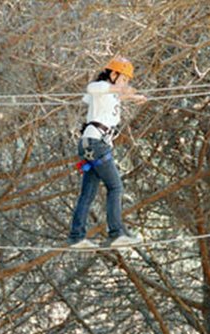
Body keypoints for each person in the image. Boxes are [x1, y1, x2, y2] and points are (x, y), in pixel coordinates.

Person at [67, 57, 147, 249]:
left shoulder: (110, 95)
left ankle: (76, 236)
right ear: (113, 74)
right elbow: (91, 90)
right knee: (115, 187)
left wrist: (134, 96)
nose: (124, 83)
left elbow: (114, 97)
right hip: (96, 144)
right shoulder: (101, 87)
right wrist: (120, 90)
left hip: (92, 144)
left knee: (88, 192)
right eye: (123, 79)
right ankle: (116, 232)